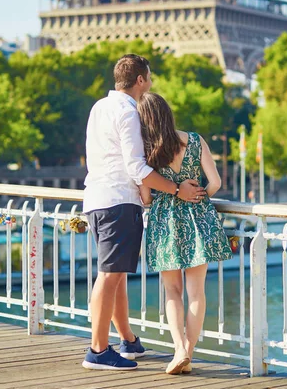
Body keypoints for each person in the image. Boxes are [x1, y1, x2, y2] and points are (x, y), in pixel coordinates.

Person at [82, 54, 206, 372]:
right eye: (149, 77)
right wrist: (178, 190)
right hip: (118, 201)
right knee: (109, 276)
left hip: (96, 197)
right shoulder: (128, 112)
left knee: (117, 274)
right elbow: (137, 168)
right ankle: (97, 350)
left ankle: (127, 340)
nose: (150, 83)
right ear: (140, 80)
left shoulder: (99, 107)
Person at [137, 92, 232, 375]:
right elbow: (215, 182)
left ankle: (178, 348)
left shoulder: (147, 150)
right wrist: (199, 196)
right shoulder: (194, 140)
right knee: (196, 292)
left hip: (165, 222)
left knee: (172, 291)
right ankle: (188, 353)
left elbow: (146, 198)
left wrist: (164, 196)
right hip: (197, 217)